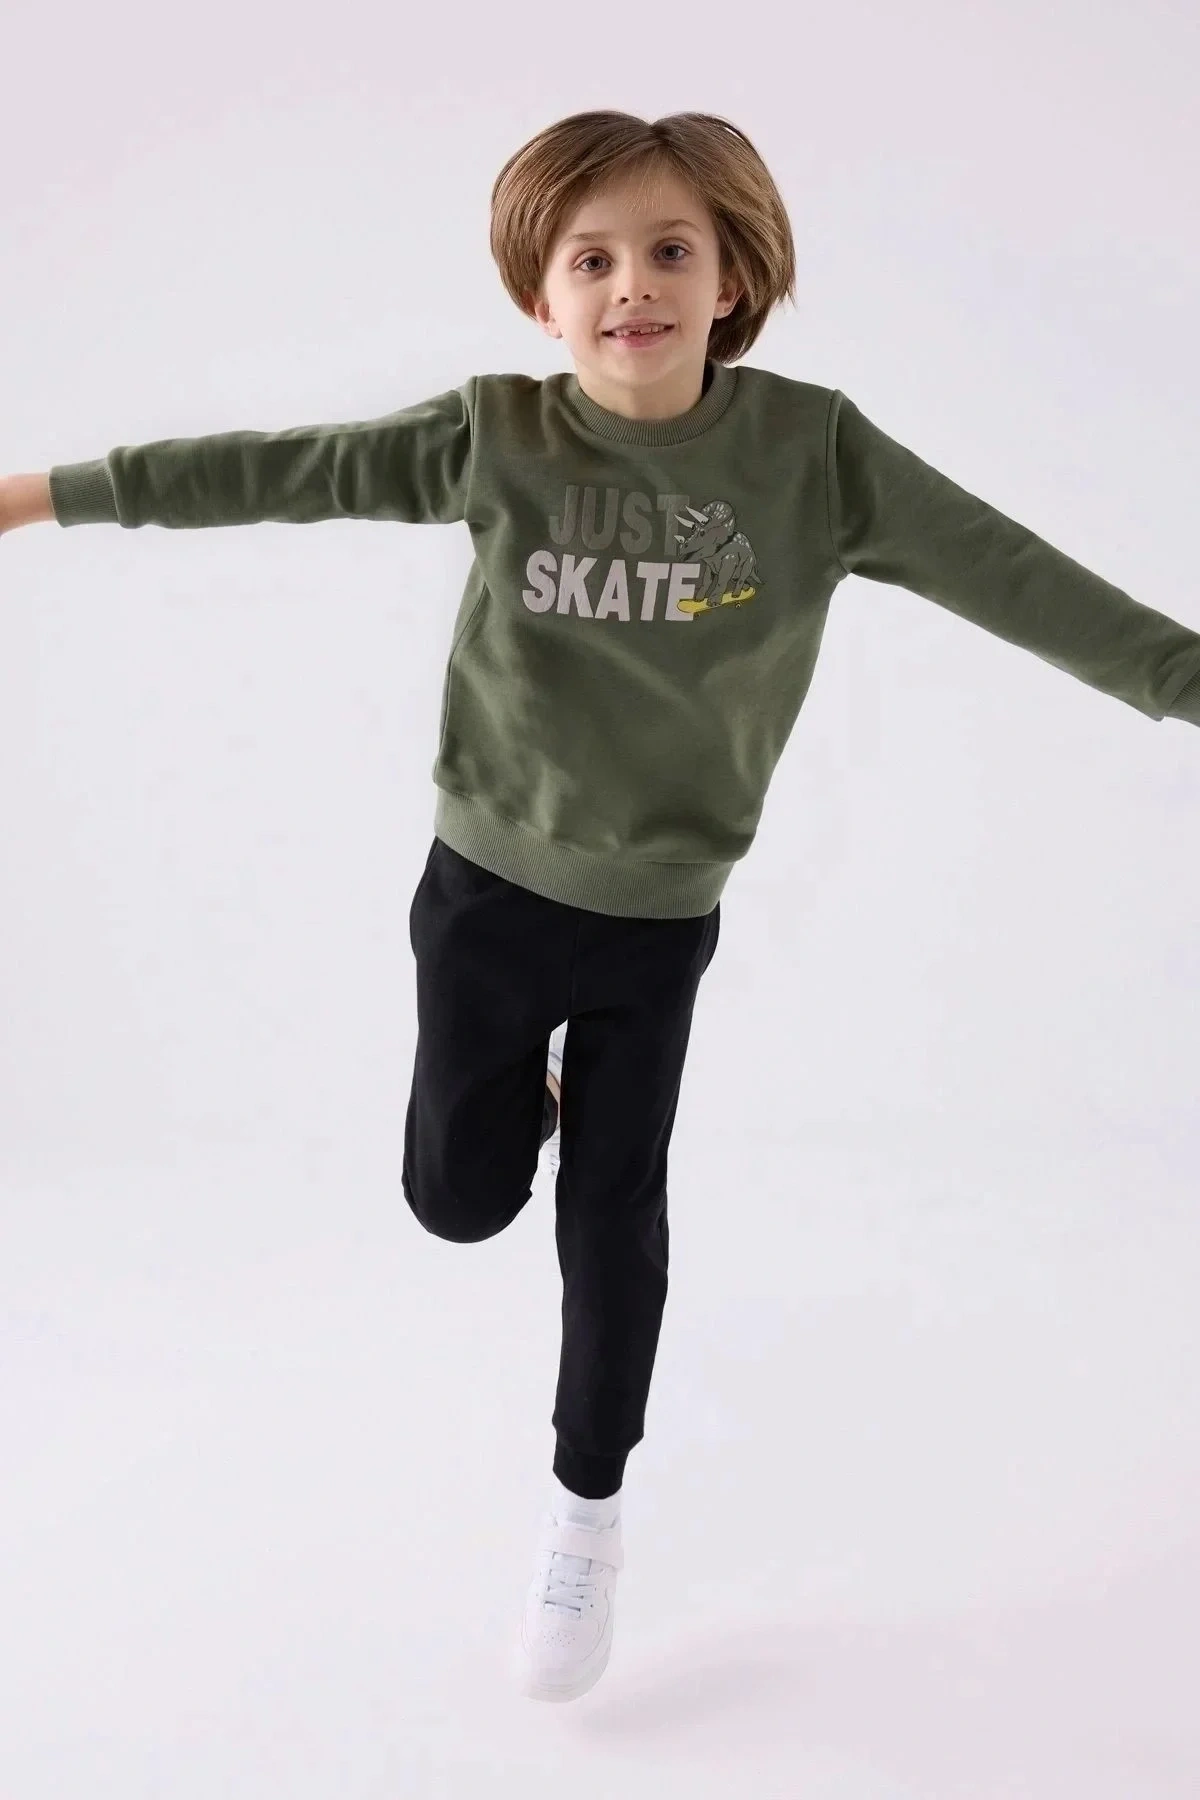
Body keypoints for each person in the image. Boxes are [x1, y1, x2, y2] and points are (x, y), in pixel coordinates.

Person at [4, 109, 1199, 1707]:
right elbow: (282, 469)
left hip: (658, 923)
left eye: (670, 251)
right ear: (542, 297)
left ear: (731, 279)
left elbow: (1019, 577)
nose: (633, 284)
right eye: (593, 259)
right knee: (456, 1201)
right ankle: (518, 1103)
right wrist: (43, 493)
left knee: (615, 1215)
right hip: (485, 895)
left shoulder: (813, 457)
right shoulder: (497, 436)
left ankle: (586, 1513)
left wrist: (1185, 679)